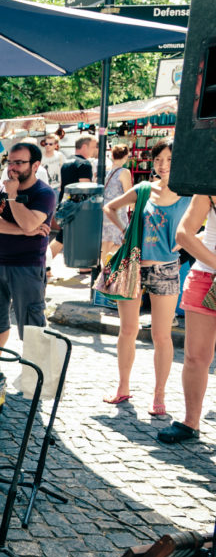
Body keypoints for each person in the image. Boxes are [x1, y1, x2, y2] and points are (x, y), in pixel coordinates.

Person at [102, 140, 188, 415]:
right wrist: (127, 230)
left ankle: (159, 396)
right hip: (134, 266)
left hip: (166, 268)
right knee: (127, 330)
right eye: (159, 159)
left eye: (170, 160)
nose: (163, 165)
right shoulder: (143, 190)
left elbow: (205, 222)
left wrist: (187, 241)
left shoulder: (189, 194)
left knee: (161, 335)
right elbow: (109, 208)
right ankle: (123, 387)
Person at [0, 141, 56, 363]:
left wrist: (13, 197)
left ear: (35, 165)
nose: (12, 167)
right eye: (10, 162)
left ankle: (35, 374)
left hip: (28, 266)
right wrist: (25, 232)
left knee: (31, 325)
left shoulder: (45, 193)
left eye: (19, 163)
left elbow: (28, 222)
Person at [164, 193, 216, 443]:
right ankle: (190, 422)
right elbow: (183, 234)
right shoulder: (208, 185)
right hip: (205, 276)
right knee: (196, 356)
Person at [50, 134, 98, 259]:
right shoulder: (84, 164)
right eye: (93, 147)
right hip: (77, 207)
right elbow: (85, 188)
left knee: (66, 236)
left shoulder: (67, 162)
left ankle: (44, 265)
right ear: (84, 146)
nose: (95, 150)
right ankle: (43, 264)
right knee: (62, 237)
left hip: (65, 204)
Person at [101, 143, 134, 263]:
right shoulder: (124, 172)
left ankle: (104, 269)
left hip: (104, 210)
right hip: (117, 210)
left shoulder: (105, 171)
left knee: (106, 242)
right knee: (122, 240)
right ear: (125, 156)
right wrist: (135, 207)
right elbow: (129, 194)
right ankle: (112, 267)